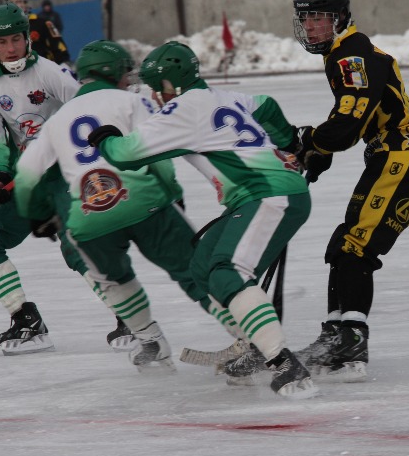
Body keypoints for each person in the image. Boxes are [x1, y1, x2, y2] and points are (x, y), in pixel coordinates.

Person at [86, 41, 319, 398]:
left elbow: (126, 155)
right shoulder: (222, 96)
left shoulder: (183, 109)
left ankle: (282, 362)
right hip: (267, 193)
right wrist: (291, 145)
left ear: (170, 85)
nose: (153, 95)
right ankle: (259, 346)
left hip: (268, 196)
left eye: (155, 86)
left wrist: (104, 137)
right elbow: (268, 107)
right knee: (203, 263)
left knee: (228, 271)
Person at [13, 40, 240, 373]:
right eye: (126, 73)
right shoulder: (132, 102)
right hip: (145, 204)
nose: (129, 79)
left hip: (90, 218)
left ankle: (149, 340)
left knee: (113, 280)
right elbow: (156, 152)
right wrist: (172, 193)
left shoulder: (57, 121)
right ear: (114, 72)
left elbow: (26, 175)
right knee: (196, 271)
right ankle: (248, 339)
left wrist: (37, 215)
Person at [287, 0, 409, 383]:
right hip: (398, 155)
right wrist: (318, 152)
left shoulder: (351, 56)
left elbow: (346, 124)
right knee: (344, 245)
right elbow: (354, 120)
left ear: (340, 18)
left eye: (318, 18)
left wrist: (307, 141)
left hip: (408, 155)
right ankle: (336, 337)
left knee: (355, 247)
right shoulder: (342, 53)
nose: (310, 27)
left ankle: (352, 341)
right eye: (305, 19)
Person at [0, 2, 82, 354]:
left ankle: (129, 318)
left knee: (78, 243)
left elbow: (83, 111)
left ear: (27, 39)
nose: (10, 49)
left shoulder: (50, 73)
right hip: (27, 175)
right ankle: (25, 317)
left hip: (63, 171)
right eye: (1, 43)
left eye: (15, 40)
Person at [3, 0, 70, 67]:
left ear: (25, 3)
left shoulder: (43, 23)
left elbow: (60, 48)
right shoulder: (1, 28)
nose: (14, 6)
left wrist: (62, 65)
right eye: (11, 3)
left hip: (43, 70)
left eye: (18, 1)